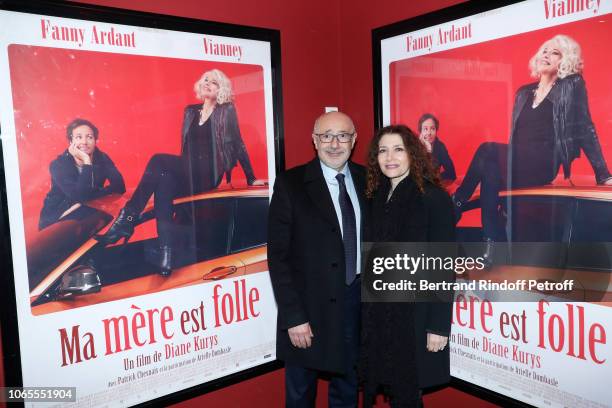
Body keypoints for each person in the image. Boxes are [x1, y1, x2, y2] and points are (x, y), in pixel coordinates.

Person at [452, 35, 612, 256]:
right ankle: (491, 241)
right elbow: (516, 136)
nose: (546, 54)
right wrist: (505, 166)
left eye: (554, 52)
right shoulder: (524, 92)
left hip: (543, 162)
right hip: (519, 160)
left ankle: (457, 203)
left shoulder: (570, 85)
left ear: (564, 61)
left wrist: (602, 173)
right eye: (544, 50)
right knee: (490, 169)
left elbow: (584, 126)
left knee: (487, 149)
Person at [96, 69, 262, 276]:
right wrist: (176, 172)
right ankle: (167, 255)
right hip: (188, 169)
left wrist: (251, 176)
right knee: (163, 184)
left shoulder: (226, 110)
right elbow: (186, 147)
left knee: (158, 160)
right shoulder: (190, 111)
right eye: (206, 80)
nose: (208, 84)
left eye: (214, 83)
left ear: (222, 89)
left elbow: (238, 143)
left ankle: (126, 219)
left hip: (208, 172)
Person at [268, 111, 365, 407]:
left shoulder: (368, 180)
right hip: (307, 313)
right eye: (326, 136)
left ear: (354, 139)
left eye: (343, 135)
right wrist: (293, 318)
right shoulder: (290, 184)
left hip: (356, 306)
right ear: (314, 140)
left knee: (348, 392)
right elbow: (279, 258)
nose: (335, 143)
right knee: (300, 396)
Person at [361, 125, 455, 407]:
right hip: (381, 312)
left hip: (417, 314)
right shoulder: (376, 197)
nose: (390, 157)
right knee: (391, 385)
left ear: (413, 154)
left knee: (408, 393)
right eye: (383, 150)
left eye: (398, 149)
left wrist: (438, 327)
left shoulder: (433, 198)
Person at [39, 118, 125, 230]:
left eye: (89, 137)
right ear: (71, 141)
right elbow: (81, 196)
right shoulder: (58, 165)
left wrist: (91, 195)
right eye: (79, 137)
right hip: (57, 219)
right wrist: (87, 162)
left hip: (85, 211)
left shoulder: (102, 158)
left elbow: (120, 187)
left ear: (95, 140)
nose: (84, 142)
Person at [418, 113, 456, 183]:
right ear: (420, 132)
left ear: (436, 131)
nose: (429, 133)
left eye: (432, 128)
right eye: (425, 129)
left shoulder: (440, 147)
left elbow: (452, 174)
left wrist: (429, 151)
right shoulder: (415, 147)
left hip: (433, 185)